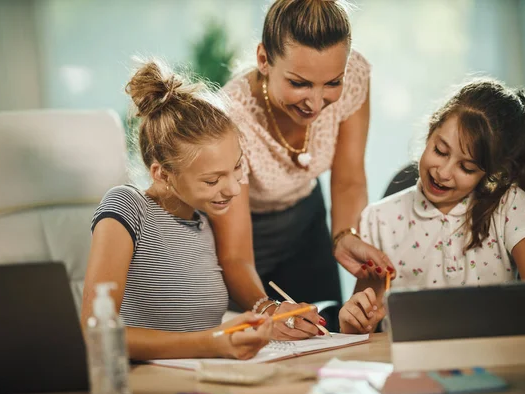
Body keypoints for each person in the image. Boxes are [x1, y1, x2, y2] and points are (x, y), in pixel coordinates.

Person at [339, 78, 525, 334]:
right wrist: (352, 322)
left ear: (491, 172)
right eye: (440, 151)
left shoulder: (510, 206)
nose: (443, 173)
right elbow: (361, 327)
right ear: (430, 132)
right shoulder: (379, 219)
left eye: (466, 168)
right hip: (407, 368)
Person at [212, 0, 392, 335]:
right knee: (264, 343)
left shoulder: (354, 78)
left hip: (307, 221)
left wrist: (343, 235)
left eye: (331, 83)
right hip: (243, 235)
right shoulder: (231, 115)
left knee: (326, 335)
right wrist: (265, 308)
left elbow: (349, 179)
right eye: (299, 83)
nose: (316, 102)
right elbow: (236, 256)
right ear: (264, 59)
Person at [80, 59, 276, 360]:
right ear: (162, 174)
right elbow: (96, 332)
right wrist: (213, 342)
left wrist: (261, 323)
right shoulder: (127, 207)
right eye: (212, 180)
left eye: (237, 168)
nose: (234, 189)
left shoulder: (204, 223)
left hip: (207, 378)